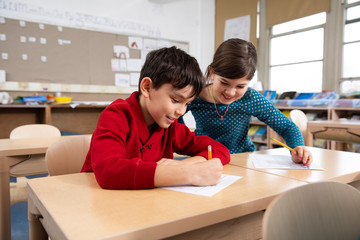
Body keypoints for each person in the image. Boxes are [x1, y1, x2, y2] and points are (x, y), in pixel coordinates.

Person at [81, 46, 231, 190]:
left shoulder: (170, 126)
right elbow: (109, 171)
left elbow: (220, 150)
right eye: (176, 100)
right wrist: (188, 173)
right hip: (97, 202)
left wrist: (191, 164)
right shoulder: (116, 115)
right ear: (147, 87)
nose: (181, 111)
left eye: (187, 104)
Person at [178, 38, 312, 166]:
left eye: (240, 86)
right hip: (206, 159)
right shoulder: (195, 95)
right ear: (212, 73)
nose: (230, 92)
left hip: (242, 159)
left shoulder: (250, 98)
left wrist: (297, 148)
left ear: (249, 82)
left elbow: (287, 127)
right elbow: (175, 121)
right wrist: (188, 140)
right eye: (224, 83)